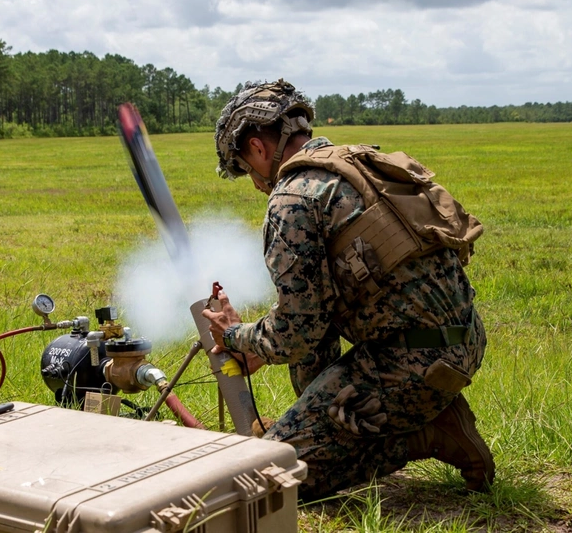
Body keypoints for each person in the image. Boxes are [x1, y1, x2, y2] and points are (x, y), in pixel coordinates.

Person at [203, 79, 494, 502]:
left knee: (270, 479)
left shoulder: (291, 198)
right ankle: (336, 430)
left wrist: (235, 336)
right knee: (306, 398)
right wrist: (264, 344)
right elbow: (314, 312)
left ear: (258, 148)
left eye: (246, 168)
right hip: (461, 344)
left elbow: (297, 332)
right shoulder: (357, 165)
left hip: (413, 366)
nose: (254, 183)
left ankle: (428, 434)